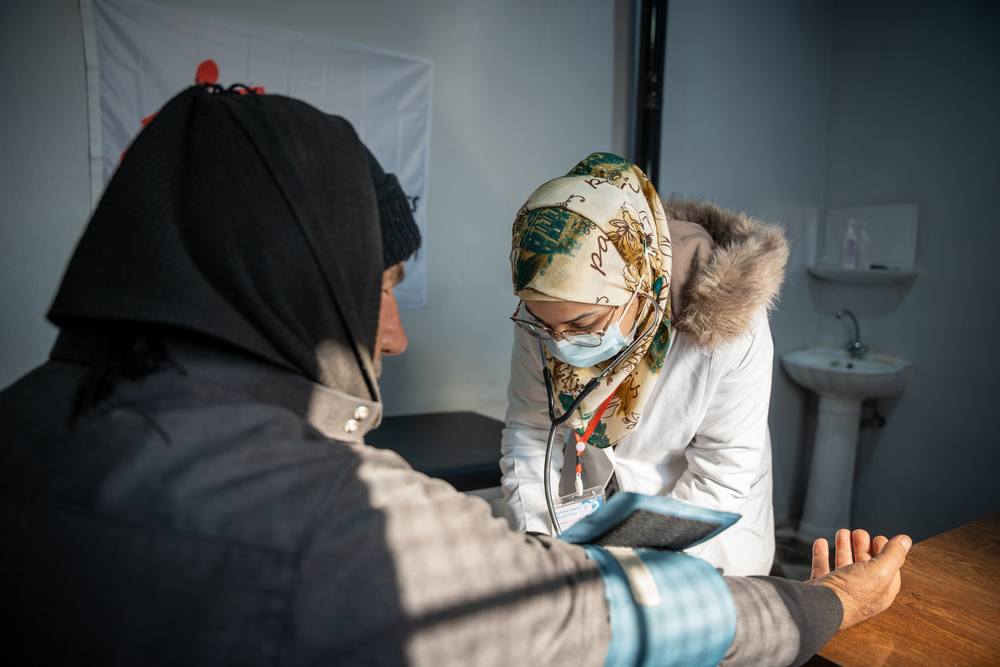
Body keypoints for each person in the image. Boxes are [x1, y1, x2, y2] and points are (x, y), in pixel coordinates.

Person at [0, 84, 910, 667]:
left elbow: (684, 526)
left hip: (703, 554)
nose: (392, 338)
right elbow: (577, 609)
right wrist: (826, 602)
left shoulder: (21, 423)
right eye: (379, 289)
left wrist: (580, 554)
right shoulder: (335, 519)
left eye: (585, 326)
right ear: (283, 284)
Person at [502, 153, 785, 576]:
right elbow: (529, 430)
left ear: (638, 285)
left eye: (585, 322)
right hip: (595, 526)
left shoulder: (732, 327)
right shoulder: (545, 316)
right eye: (544, 325)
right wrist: (541, 540)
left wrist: (627, 564)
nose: (560, 343)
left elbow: (720, 476)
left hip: (704, 543)